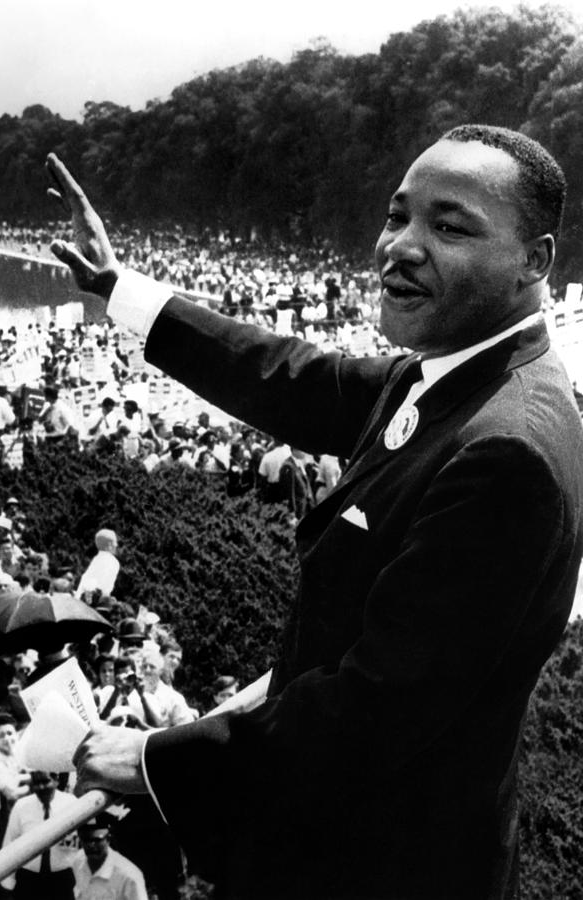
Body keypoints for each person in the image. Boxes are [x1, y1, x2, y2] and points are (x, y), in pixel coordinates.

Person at [48, 125, 583, 900]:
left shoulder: (507, 454)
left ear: (534, 262)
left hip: (382, 867)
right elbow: (286, 377)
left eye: (450, 226)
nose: (400, 245)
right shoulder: (458, 374)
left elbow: (371, 711)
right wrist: (117, 288)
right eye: (398, 215)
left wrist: (154, 759)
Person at [1, 770, 77, 900]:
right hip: (29, 879)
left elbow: (81, 844)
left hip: (62, 879)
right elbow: (10, 844)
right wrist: (8, 883)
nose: (41, 787)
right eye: (37, 783)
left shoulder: (72, 803)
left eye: (46, 781)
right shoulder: (22, 806)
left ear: (56, 781)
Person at [72, 812, 148, 900]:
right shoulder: (78, 861)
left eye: (97, 840)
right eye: (86, 840)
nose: (91, 845)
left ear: (108, 839)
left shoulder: (129, 875)